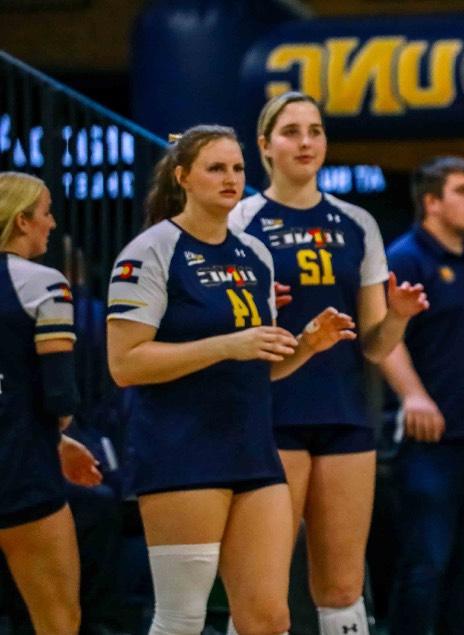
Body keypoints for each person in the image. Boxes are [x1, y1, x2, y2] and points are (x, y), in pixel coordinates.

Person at [106, 125, 355, 635]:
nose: (231, 178)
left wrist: (305, 343)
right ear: (183, 177)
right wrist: (226, 345)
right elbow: (125, 364)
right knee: (182, 617)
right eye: (215, 168)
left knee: (268, 618)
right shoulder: (149, 252)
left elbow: (259, 365)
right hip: (181, 449)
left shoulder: (253, 254)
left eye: (237, 168)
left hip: (251, 448)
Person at [229, 92, 427, 635]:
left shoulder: (356, 221)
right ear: (265, 145)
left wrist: (400, 317)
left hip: (343, 415)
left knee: (342, 588)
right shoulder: (241, 218)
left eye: (315, 130)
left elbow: (373, 344)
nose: (307, 142)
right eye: (292, 131)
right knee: (263, 594)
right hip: (271, 414)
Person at [380, 155, 464, 635]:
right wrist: (414, 395)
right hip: (430, 443)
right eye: (461, 191)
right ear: (430, 202)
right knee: (424, 568)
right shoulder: (405, 258)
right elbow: (382, 337)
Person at [0, 171, 103, 635]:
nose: (52, 222)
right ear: (22, 221)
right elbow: (59, 394)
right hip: (20, 474)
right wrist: (58, 436)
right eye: (44, 213)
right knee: (57, 620)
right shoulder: (45, 284)